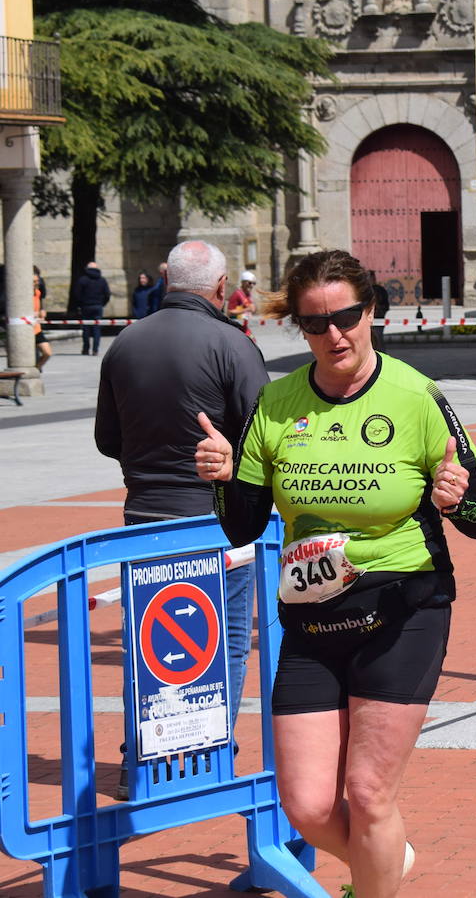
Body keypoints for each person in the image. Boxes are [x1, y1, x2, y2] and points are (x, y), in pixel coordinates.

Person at [194, 249, 476, 898]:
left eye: (347, 317)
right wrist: (223, 479)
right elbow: (243, 528)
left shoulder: (416, 397)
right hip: (312, 619)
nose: (334, 334)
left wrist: (457, 500)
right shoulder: (276, 403)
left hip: (402, 610)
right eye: (315, 323)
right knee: (306, 806)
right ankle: (384, 861)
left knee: (367, 793)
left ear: (371, 312)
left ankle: (375, 870)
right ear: (299, 327)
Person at [94, 241, 268, 799]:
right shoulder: (232, 344)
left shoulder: (125, 343)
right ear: (221, 288)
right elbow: (263, 437)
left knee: (146, 642)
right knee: (227, 638)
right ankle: (209, 754)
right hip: (216, 519)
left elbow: (107, 439)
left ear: (167, 280)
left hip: (143, 517)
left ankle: (140, 762)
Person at [72, 260, 111, 355]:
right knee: (97, 329)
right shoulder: (102, 280)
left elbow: (77, 294)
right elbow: (107, 294)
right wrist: (102, 304)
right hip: (98, 306)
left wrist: (80, 304)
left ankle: (86, 349)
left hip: (86, 307)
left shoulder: (82, 280)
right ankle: (95, 350)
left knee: (86, 328)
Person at [32, 269, 52, 371]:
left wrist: (42, 311)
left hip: (36, 329)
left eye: (37, 281)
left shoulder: (37, 293)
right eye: (34, 281)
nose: (37, 283)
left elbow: (39, 307)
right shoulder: (23, 296)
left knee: (47, 352)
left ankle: (36, 369)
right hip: (26, 330)